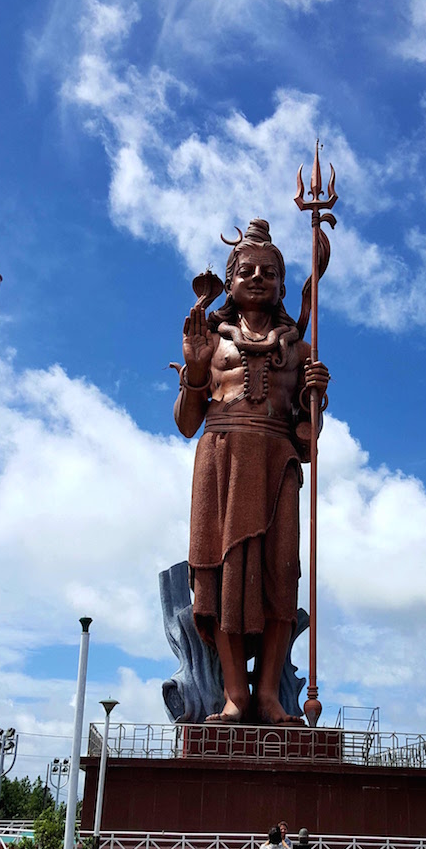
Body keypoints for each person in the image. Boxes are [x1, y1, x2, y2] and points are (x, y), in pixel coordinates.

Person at [174, 218, 329, 725]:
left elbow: (307, 442)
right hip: (220, 459)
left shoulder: (300, 351)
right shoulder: (211, 342)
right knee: (221, 579)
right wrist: (195, 372)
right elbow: (186, 423)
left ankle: (268, 693)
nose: (257, 278)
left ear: (284, 285)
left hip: (276, 462)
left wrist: (315, 399)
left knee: (280, 575)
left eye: (268, 271)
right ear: (231, 281)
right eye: (246, 271)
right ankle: (235, 694)